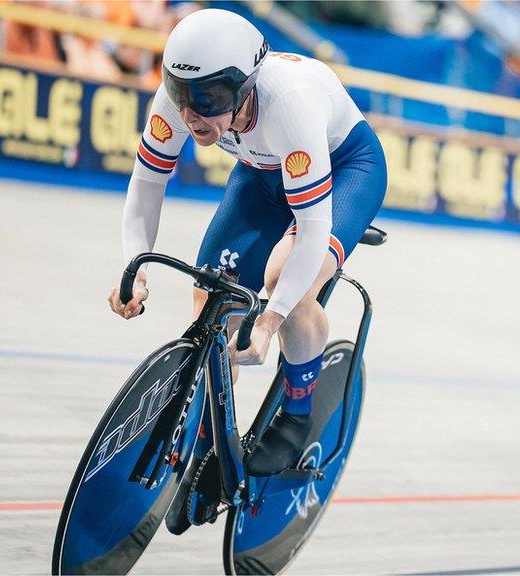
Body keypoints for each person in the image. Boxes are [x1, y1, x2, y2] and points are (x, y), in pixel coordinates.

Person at [106, 9, 387, 526]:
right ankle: (215, 439)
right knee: (210, 299)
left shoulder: (289, 104)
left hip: (346, 169)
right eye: (181, 93)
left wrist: (270, 322)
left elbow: (310, 230)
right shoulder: (178, 100)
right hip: (262, 173)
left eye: (208, 100)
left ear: (245, 88)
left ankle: (298, 411)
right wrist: (133, 267)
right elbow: (147, 183)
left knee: (285, 279)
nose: (191, 115)